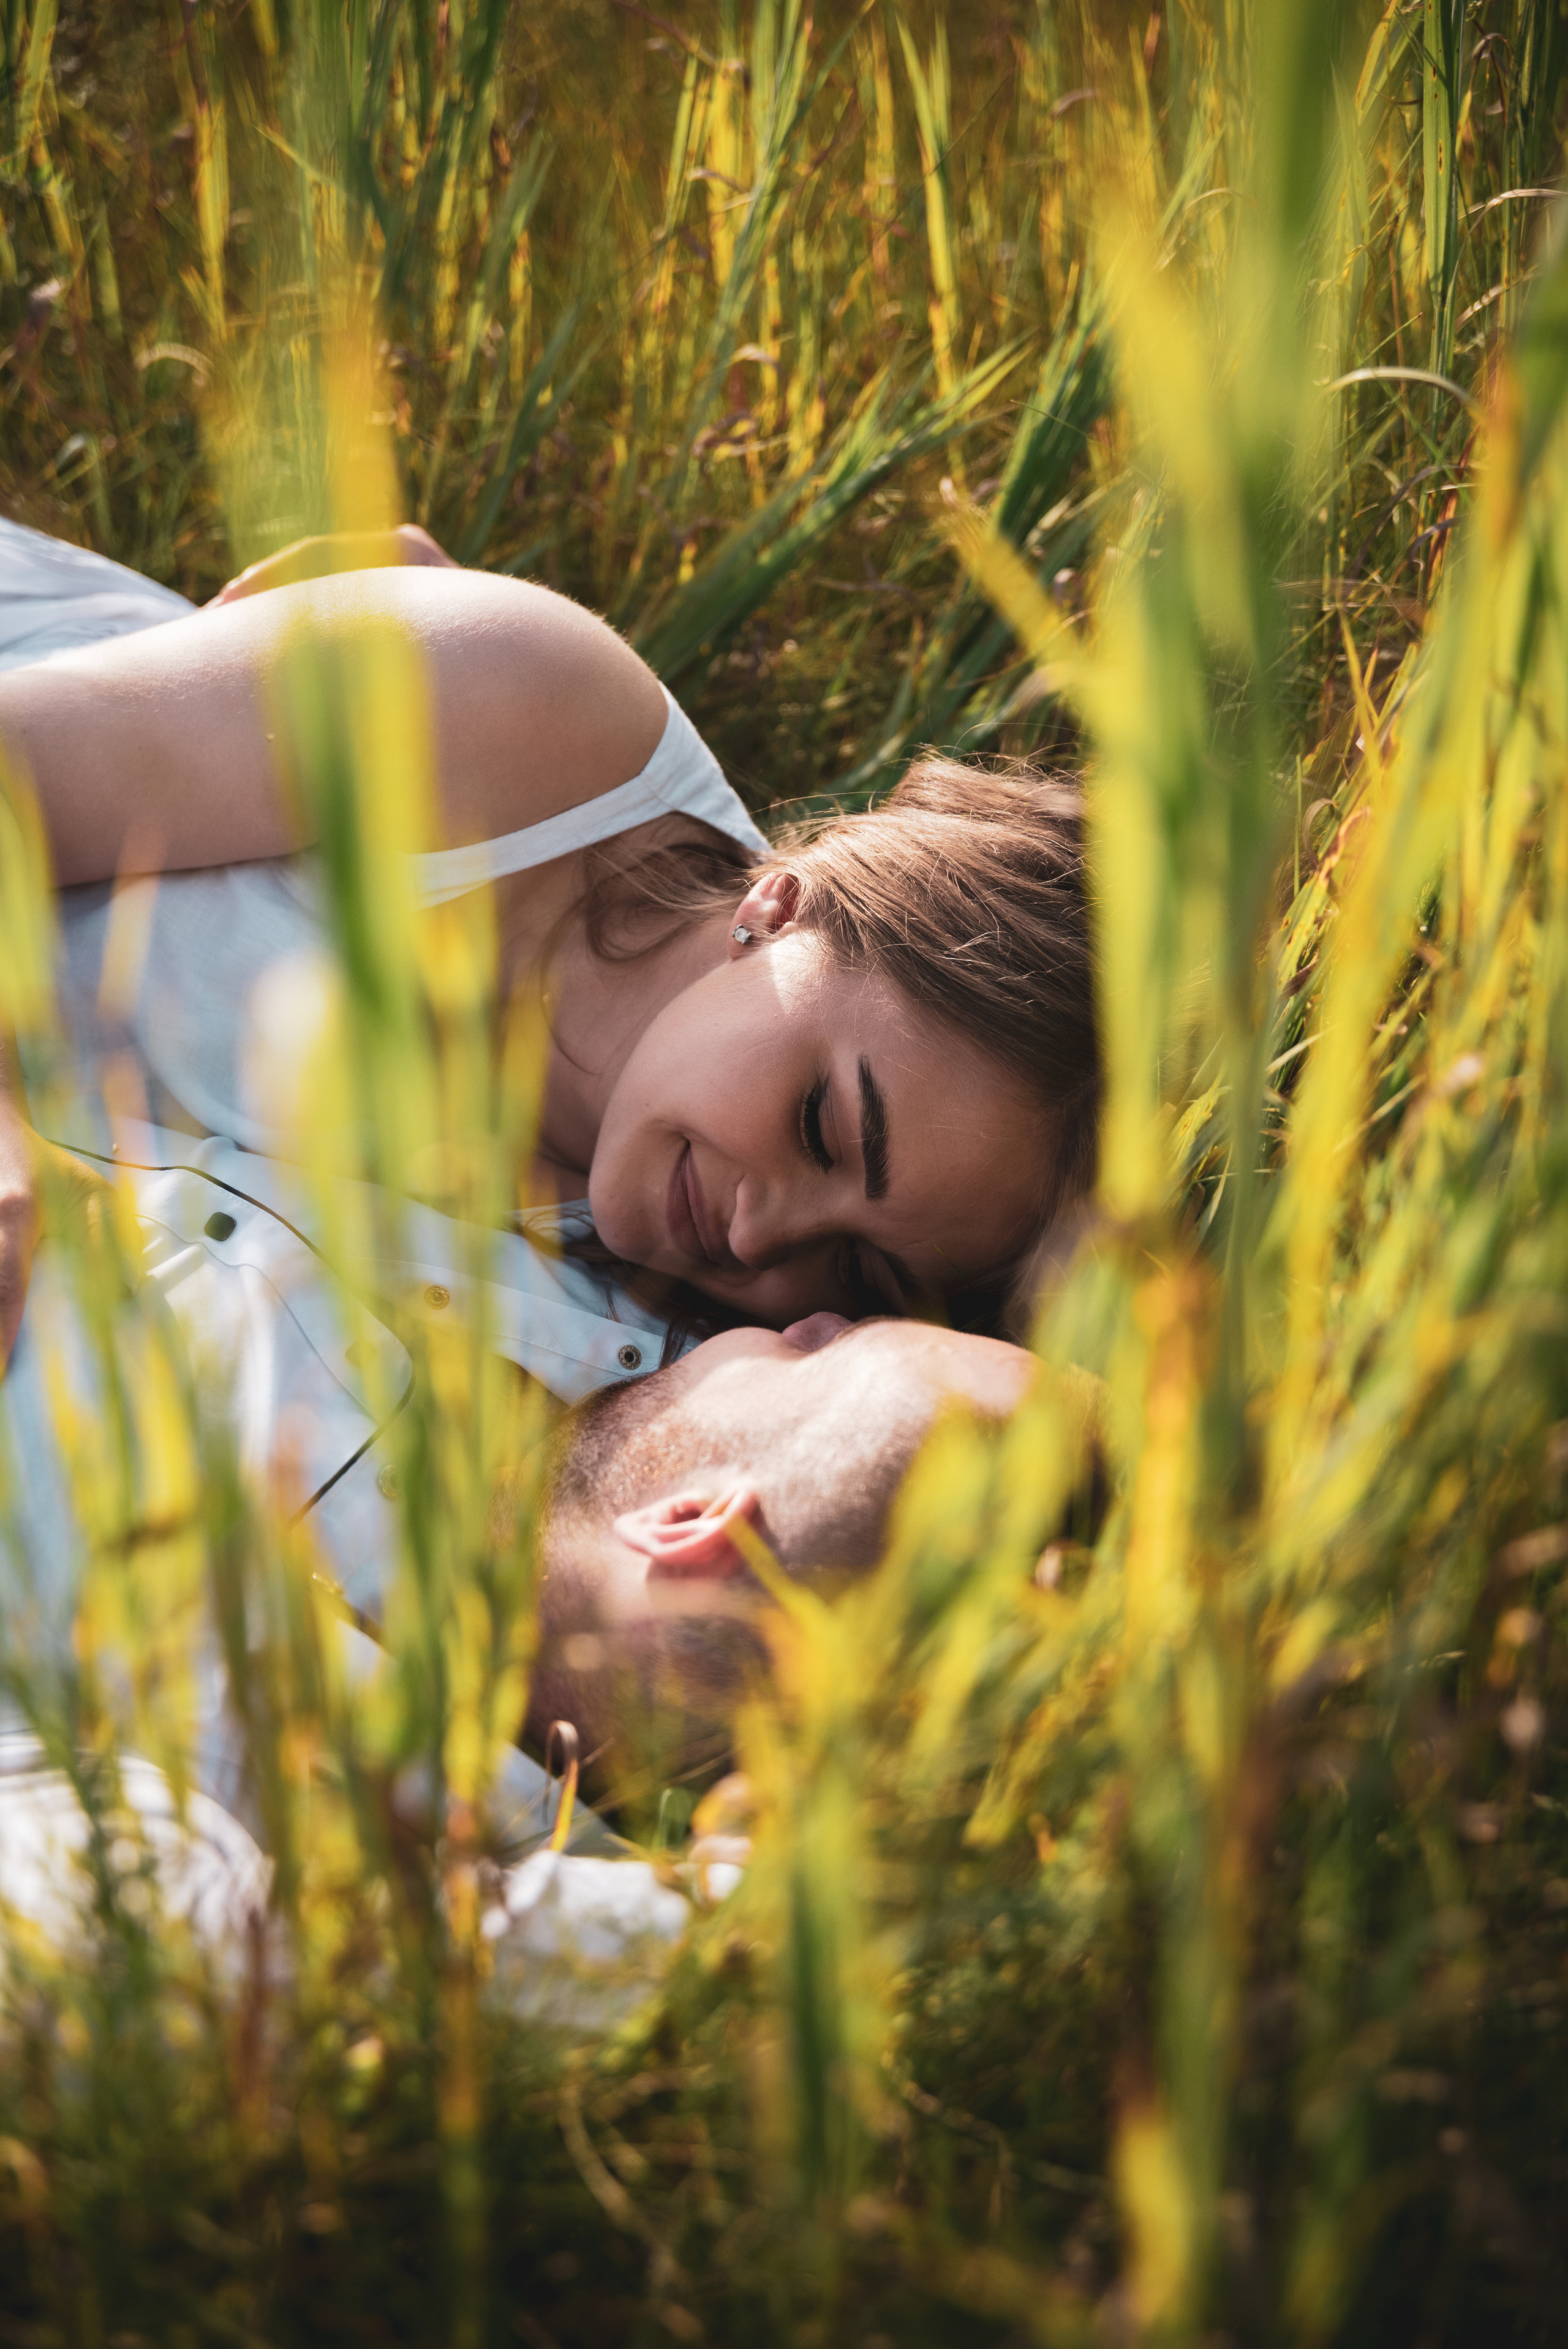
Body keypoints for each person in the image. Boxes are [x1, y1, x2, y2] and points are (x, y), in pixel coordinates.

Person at [0, 515, 1099, 1363]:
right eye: (820, 1125)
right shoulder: (529, 722)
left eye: (858, 1262)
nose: (765, 1240)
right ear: (778, 910)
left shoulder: (658, 1320)